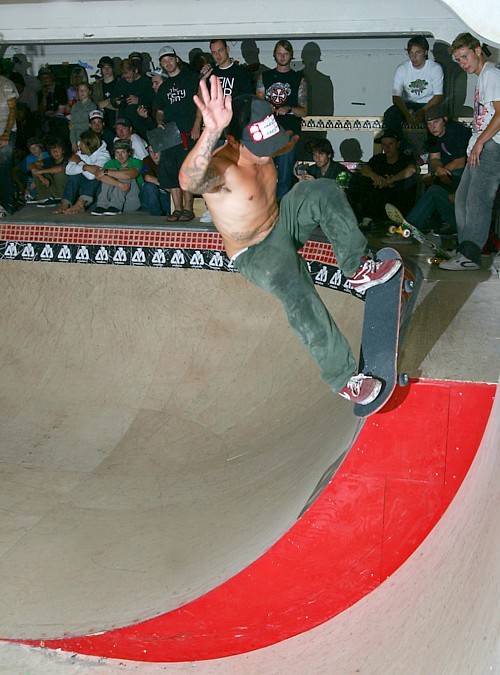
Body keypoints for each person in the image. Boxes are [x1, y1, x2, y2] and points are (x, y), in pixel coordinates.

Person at [178, 76, 402, 407]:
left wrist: (287, 149)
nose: (264, 156)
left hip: (283, 219)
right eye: (258, 150)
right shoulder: (222, 169)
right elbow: (188, 180)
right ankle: (343, 378)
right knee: (298, 291)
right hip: (256, 252)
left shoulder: (268, 142)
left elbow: (279, 145)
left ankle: (356, 269)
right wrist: (210, 132)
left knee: (323, 190)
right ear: (233, 140)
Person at [439, 33, 500, 271]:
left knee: (478, 200)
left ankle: (471, 254)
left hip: (492, 145)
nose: (463, 63)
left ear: (477, 50)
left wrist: (480, 142)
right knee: (462, 199)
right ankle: (465, 246)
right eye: (458, 59)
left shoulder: (492, 74)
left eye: (465, 56)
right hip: (481, 145)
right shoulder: (483, 76)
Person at [403, 103, 471, 235]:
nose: (432, 127)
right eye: (429, 123)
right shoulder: (432, 135)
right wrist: (438, 170)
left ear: (445, 119)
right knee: (430, 184)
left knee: (436, 185)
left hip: (466, 182)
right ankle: (427, 223)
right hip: (451, 183)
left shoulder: (458, 132)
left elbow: (460, 162)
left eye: (436, 122)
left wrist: (436, 173)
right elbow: (434, 159)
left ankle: (408, 229)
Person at [256, 39, 308, 199]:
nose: (282, 57)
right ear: (274, 55)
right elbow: (257, 106)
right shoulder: (264, 77)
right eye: (279, 53)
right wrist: (267, 108)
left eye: (285, 54)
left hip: (288, 133)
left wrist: (289, 108)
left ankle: (283, 214)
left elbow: (304, 111)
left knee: (284, 177)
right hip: (267, 132)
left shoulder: (299, 78)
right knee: (263, 175)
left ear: (291, 55)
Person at [156, 45, 202, 222]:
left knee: (187, 171)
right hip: (169, 135)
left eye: (170, 59)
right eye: (164, 61)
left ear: (176, 59)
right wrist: (159, 122)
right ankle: (177, 208)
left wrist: (197, 124)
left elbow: (200, 103)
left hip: (187, 133)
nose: (167, 63)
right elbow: (160, 110)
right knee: (171, 172)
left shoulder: (191, 79)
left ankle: (188, 209)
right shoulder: (164, 87)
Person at [384, 36, 444, 134]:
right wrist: (407, 114)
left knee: (435, 117)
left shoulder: (435, 68)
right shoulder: (402, 69)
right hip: (408, 105)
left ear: (425, 52)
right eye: (411, 53)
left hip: (429, 104)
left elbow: (438, 96)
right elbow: (396, 97)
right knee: (390, 115)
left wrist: (422, 111)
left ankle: (432, 146)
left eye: (418, 52)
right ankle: (399, 143)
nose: (414, 57)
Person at [358, 130, 417, 225]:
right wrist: (374, 176)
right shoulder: (378, 159)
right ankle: (367, 220)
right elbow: (364, 169)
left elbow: (411, 170)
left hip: (399, 203)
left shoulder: (404, 159)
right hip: (379, 203)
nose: (387, 148)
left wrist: (390, 180)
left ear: (397, 144)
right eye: (384, 145)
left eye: (391, 144)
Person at [53, 129, 110, 214]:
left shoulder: (104, 156)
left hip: (98, 194)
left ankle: (80, 204)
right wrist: (85, 167)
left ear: (89, 146)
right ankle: (65, 203)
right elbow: (68, 170)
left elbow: (92, 176)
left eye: (81, 143)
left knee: (95, 176)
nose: (78, 145)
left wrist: (80, 163)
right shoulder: (80, 153)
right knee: (75, 175)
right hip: (84, 192)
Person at [91, 138, 143, 216]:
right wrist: (119, 184)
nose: (120, 156)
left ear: (129, 153)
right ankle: (101, 206)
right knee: (111, 171)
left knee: (123, 171)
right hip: (109, 204)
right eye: (117, 152)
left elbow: (129, 175)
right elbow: (99, 176)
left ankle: (116, 205)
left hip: (132, 201)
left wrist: (106, 172)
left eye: (123, 152)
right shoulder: (111, 163)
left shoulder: (137, 162)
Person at [109, 58, 153, 141]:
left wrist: (138, 100)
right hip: (125, 123)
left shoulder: (146, 82)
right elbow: (113, 99)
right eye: (126, 78)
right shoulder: (121, 83)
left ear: (135, 70)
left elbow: (153, 100)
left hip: (141, 123)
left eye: (130, 77)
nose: (128, 80)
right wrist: (116, 101)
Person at [29, 137, 68, 207]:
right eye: (53, 150)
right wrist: (41, 176)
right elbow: (32, 164)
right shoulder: (50, 160)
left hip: (66, 190)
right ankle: (45, 198)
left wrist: (41, 172)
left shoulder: (68, 158)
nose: (56, 152)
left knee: (59, 174)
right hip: (54, 189)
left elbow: (61, 168)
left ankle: (62, 198)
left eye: (58, 149)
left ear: (63, 150)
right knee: (36, 169)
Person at [0, 71, 18, 215]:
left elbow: (13, 109)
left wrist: (6, 132)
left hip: (5, 132)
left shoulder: (5, 83)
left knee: (4, 168)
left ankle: (8, 204)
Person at [139, 144, 171, 216]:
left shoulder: (168, 160)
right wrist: (167, 186)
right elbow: (147, 177)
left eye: (156, 151)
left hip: (165, 197)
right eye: (151, 152)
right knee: (149, 187)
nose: (153, 155)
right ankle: (157, 216)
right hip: (150, 198)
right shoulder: (147, 160)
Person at [92, 56, 119, 129]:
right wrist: (110, 100)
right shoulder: (96, 86)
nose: (106, 70)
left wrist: (103, 104)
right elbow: (95, 105)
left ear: (112, 68)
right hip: (102, 123)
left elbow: (120, 105)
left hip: (118, 121)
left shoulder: (120, 83)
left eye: (108, 67)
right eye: (104, 67)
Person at [69, 82, 96, 152]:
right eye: (80, 90)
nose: (82, 92)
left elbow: (90, 124)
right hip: (77, 138)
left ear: (89, 91)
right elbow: (71, 126)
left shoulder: (93, 106)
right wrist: (73, 142)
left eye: (85, 90)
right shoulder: (75, 106)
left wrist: (75, 126)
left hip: (88, 138)